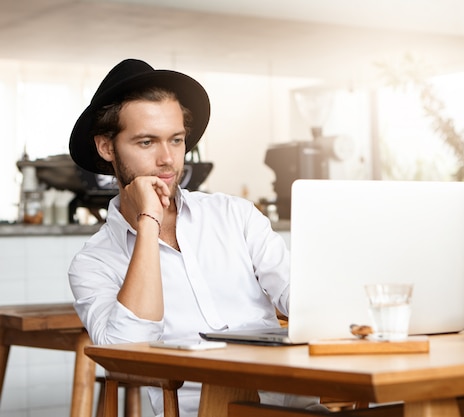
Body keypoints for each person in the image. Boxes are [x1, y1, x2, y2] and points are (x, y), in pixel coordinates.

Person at [67, 59, 325, 416]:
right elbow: (128, 354)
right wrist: (148, 222)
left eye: (176, 140)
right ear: (107, 148)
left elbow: (306, 300)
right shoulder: (93, 262)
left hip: (297, 407)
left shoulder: (236, 215)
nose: (168, 160)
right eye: (146, 142)